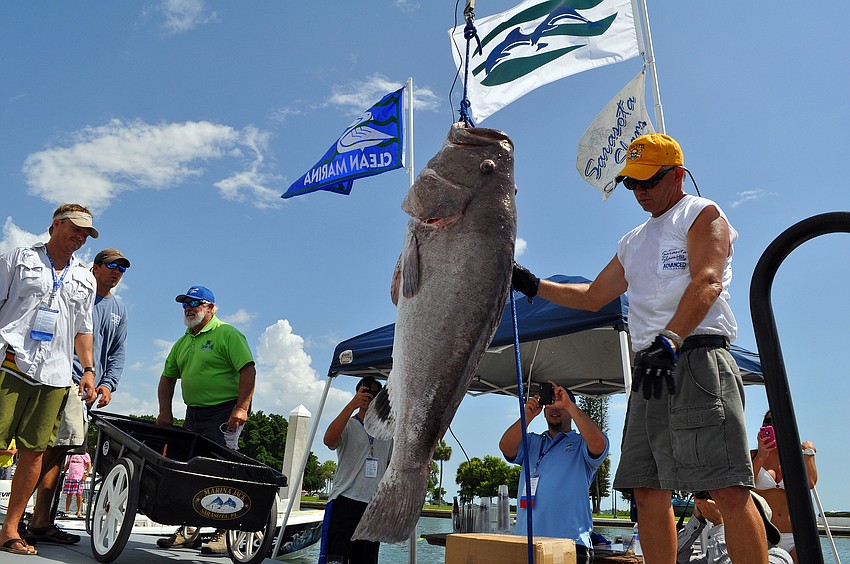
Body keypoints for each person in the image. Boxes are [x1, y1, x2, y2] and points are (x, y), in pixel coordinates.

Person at [512, 133, 767, 564]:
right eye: (632, 183)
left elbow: (708, 281)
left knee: (726, 487)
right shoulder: (631, 240)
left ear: (679, 175)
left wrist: (670, 339)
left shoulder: (702, 214)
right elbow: (594, 295)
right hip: (650, 367)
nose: (640, 191)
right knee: (647, 490)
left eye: (649, 180)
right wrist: (534, 285)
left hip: (696, 354)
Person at [0, 203, 98, 556]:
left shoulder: (86, 278)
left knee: (35, 451)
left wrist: (87, 369)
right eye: (75, 228)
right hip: (11, 361)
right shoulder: (19, 257)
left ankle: (9, 529)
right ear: (56, 225)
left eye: (86, 233)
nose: (80, 237)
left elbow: (83, 330)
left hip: (56, 374)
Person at [26, 248, 130, 545]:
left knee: (57, 450)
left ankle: (38, 520)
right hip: (59, 378)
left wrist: (108, 384)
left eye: (122, 269)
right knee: (44, 449)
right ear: (95, 267)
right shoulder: (76, 293)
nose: (117, 272)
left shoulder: (119, 310)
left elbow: (118, 351)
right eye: (112, 265)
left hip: (84, 387)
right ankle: (33, 519)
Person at [156, 285, 256, 554]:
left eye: (196, 303)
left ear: (211, 308)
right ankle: (189, 529)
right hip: (194, 413)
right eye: (185, 304)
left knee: (223, 469)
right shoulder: (183, 341)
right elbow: (167, 378)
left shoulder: (227, 334)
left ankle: (224, 532)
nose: (189, 308)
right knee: (191, 469)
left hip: (224, 412)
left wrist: (241, 407)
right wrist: (165, 411)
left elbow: (248, 370)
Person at [499, 382, 609, 564]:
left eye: (560, 404)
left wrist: (569, 405)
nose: (554, 409)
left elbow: (599, 445)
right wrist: (527, 416)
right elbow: (505, 447)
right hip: (527, 543)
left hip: (570, 546)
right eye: (549, 405)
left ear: (571, 409)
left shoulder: (581, 442)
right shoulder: (532, 441)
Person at [319, 377, 393, 564]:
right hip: (345, 501)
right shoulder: (348, 425)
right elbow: (329, 440)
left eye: (375, 393)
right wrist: (352, 405)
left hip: (372, 507)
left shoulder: (387, 433)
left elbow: (391, 464)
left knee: (367, 559)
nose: (370, 396)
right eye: (365, 391)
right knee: (336, 558)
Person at [751, 410, 818, 562]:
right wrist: (761, 456)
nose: (771, 425)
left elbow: (810, 483)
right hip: (766, 535)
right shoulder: (753, 456)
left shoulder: (795, 459)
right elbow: (747, 485)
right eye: (767, 421)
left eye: (776, 422)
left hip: (795, 535)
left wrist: (809, 453)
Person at [677, 493, 792, 564]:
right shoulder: (710, 557)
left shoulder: (778, 557)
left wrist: (719, 522)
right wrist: (697, 520)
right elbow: (674, 559)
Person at [61, 451, 91, 517]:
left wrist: (86, 475)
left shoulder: (85, 454)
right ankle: (67, 511)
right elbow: (67, 464)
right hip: (70, 477)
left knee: (79, 495)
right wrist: (64, 472)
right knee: (69, 495)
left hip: (79, 478)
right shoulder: (71, 454)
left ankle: (79, 511)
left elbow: (89, 465)